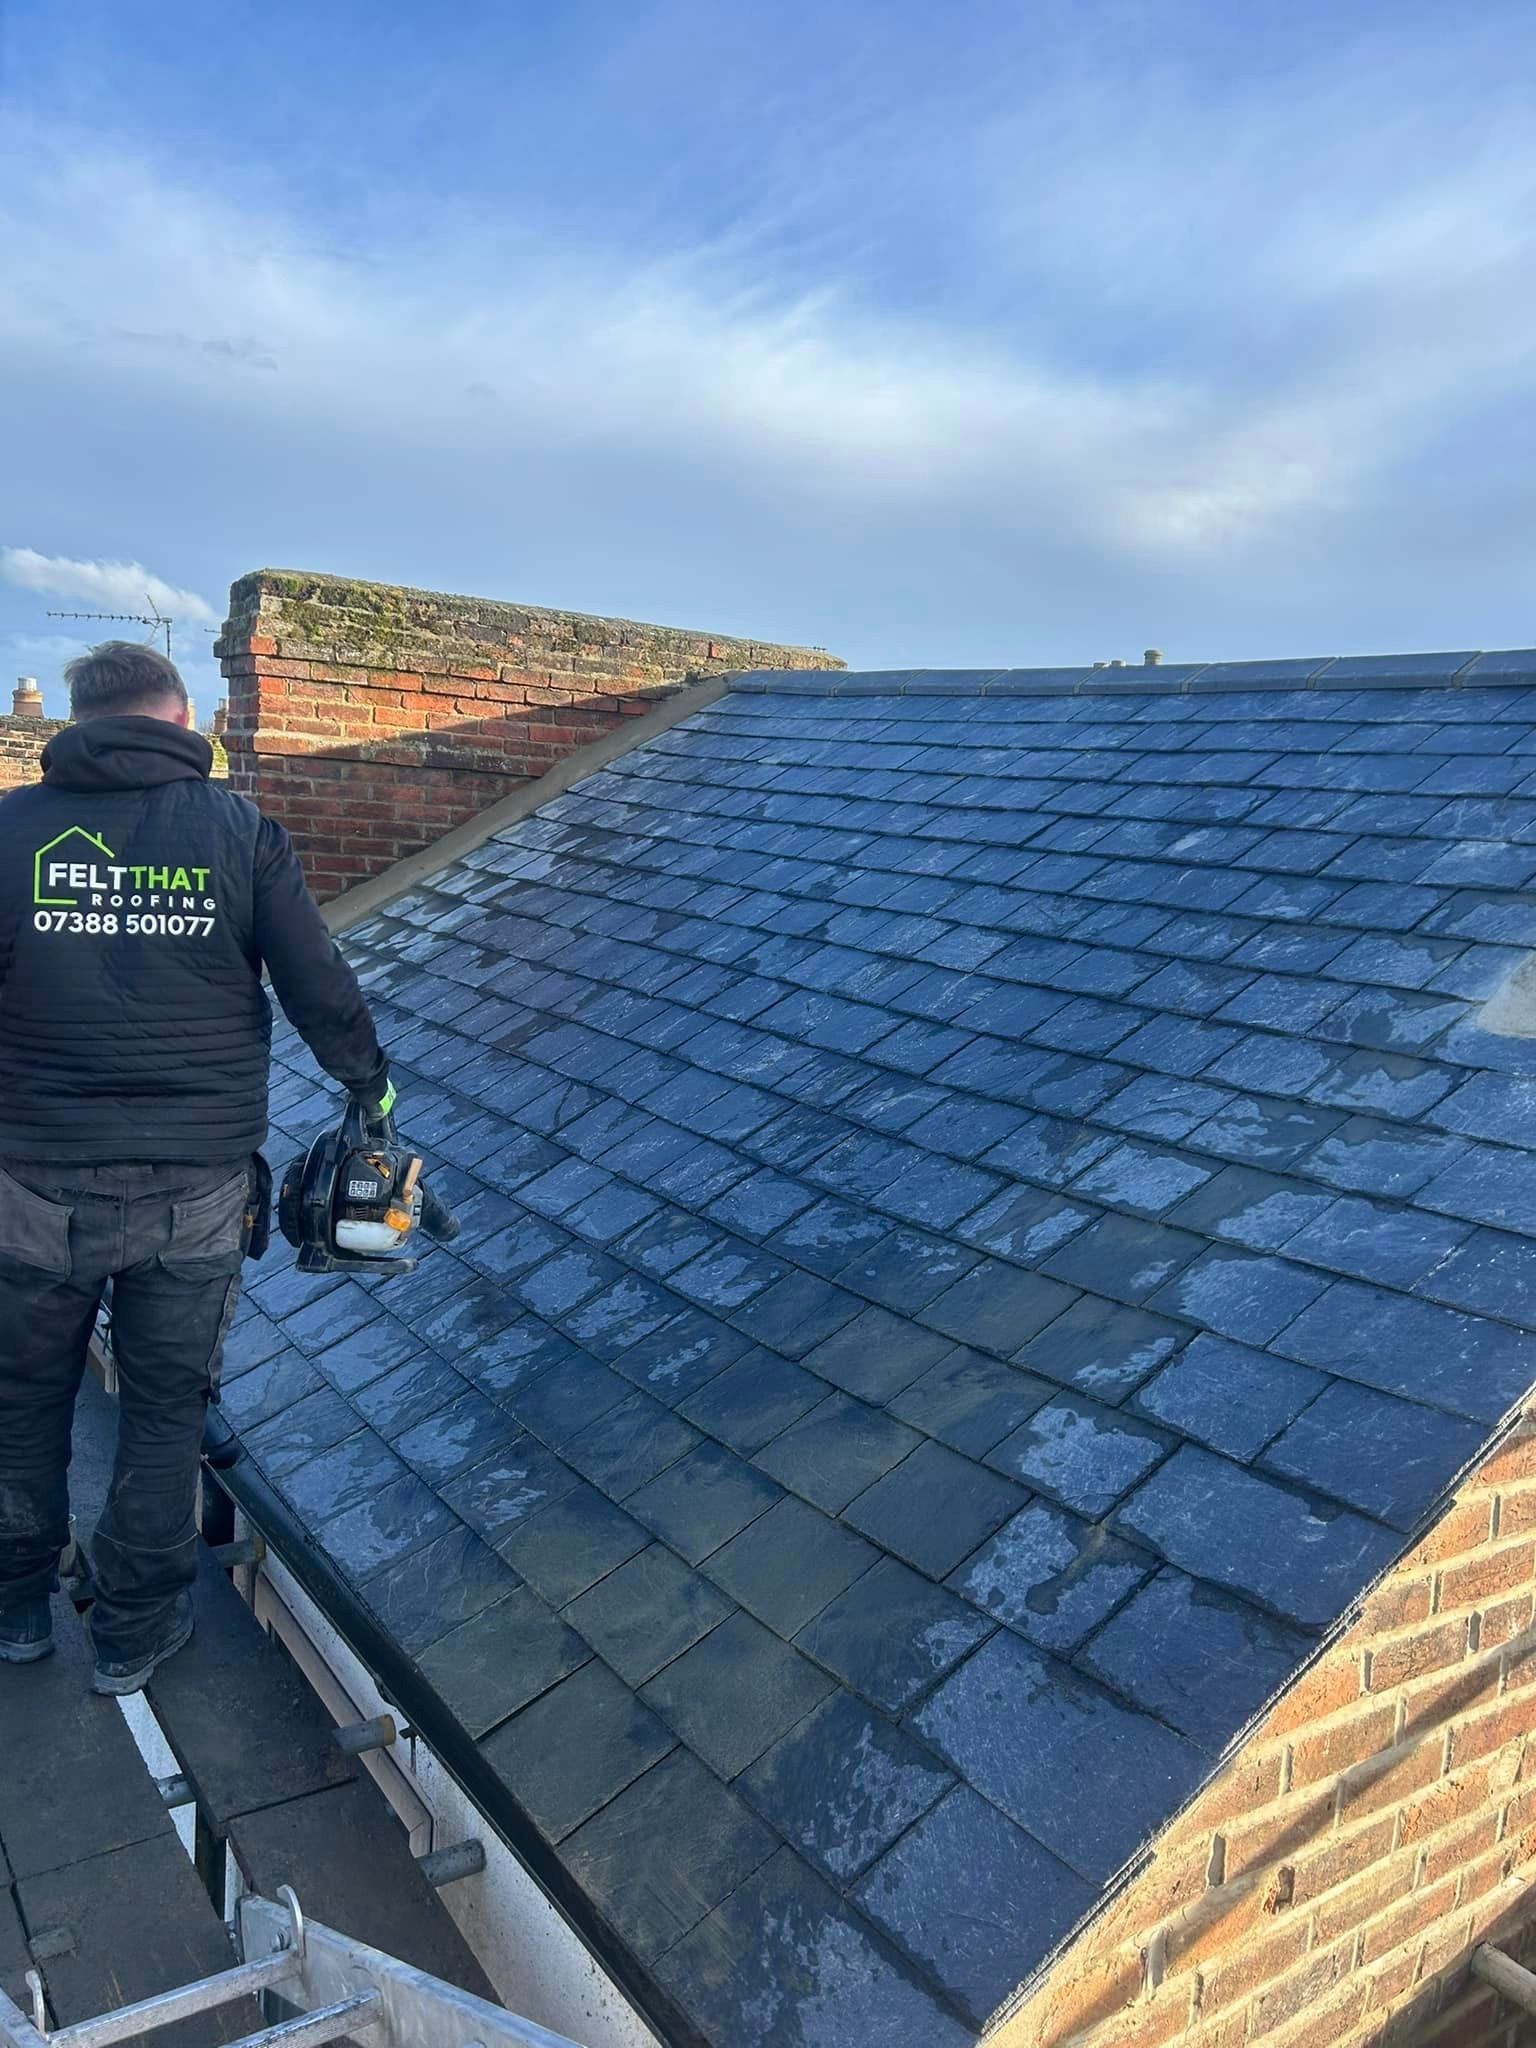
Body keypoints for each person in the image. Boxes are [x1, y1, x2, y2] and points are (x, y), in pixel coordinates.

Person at [0, 641, 392, 1694]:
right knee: (166, 1408)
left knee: (19, 1400)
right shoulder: (237, 831)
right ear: (180, 721)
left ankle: (15, 1610)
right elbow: (318, 983)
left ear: (77, 721)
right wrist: (370, 1087)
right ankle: (131, 1633)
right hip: (195, 1187)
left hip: (30, 1182)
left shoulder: (10, 831)